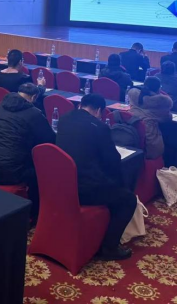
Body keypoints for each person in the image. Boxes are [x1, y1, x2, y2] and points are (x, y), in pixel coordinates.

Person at [56, 93, 136, 261]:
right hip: (85, 189)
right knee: (128, 199)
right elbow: (112, 161)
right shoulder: (100, 128)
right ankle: (109, 247)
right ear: (99, 110)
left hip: (62, 182)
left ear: (81, 105)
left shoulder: (64, 119)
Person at [0, 83, 55, 215]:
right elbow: (50, 139)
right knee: (42, 169)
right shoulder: (34, 113)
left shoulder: (3, 104)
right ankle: (35, 213)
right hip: (13, 171)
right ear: (34, 97)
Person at [127, 77, 172, 159]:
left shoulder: (134, 97)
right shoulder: (162, 102)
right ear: (159, 89)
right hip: (150, 143)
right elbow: (168, 118)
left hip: (131, 138)